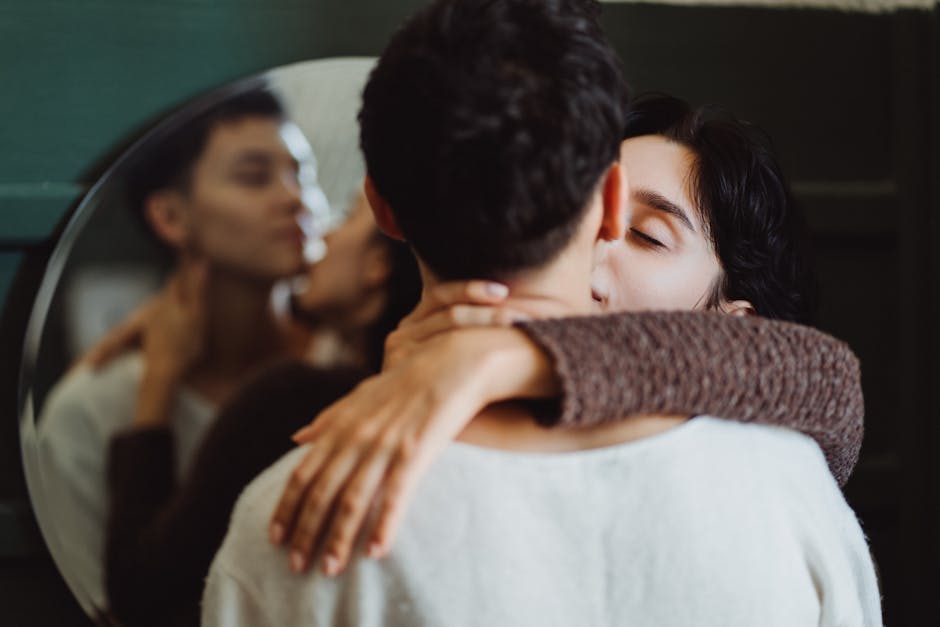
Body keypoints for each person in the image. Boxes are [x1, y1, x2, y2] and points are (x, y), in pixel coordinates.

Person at [203, 1, 881, 625]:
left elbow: (823, 378)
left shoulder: (292, 513)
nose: (595, 249)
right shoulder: (784, 491)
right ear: (602, 198)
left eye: (650, 237)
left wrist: (513, 356)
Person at [35, 86, 314, 618]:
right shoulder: (90, 410)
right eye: (255, 177)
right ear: (170, 217)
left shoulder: (354, 364)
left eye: (302, 173)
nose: (295, 198)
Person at [102, 199, 423, 627]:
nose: (324, 234)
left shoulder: (292, 398)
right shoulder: (413, 396)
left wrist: (159, 377)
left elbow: (138, 591)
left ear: (377, 265)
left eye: (347, 218)